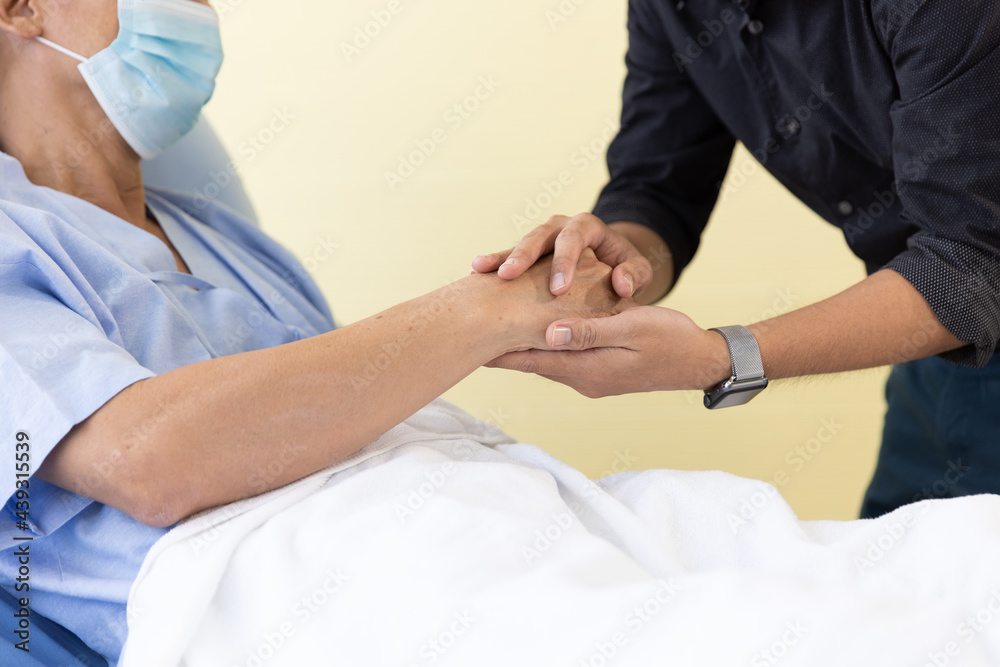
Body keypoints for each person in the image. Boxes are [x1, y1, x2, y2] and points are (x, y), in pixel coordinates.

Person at [0, 0, 629, 661]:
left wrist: (551, 293)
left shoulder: (230, 240)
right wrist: (486, 312)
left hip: (494, 520)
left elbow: (353, 434)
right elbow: (150, 463)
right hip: (317, 598)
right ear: (22, 9)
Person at [473, 0, 1000, 519]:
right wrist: (612, 263)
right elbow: (659, 189)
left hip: (957, 308)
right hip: (939, 345)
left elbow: (968, 264)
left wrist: (720, 358)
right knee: (895, 565)